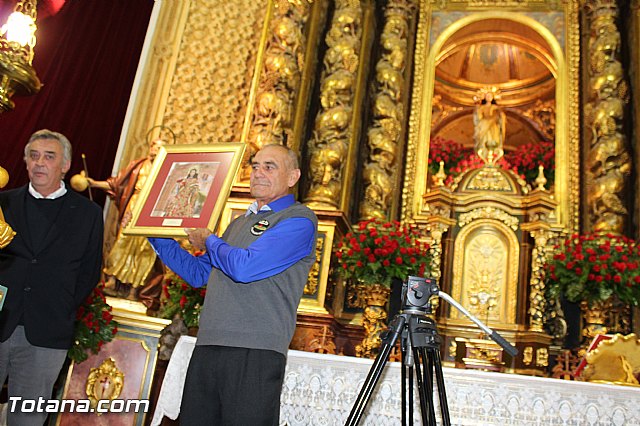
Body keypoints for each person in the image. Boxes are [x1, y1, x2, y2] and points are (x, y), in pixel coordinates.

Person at [148, 144, 318, 425]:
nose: (258, 173)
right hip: (209, 343)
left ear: (293, 177)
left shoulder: (298, 220)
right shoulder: (239, 223)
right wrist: (154, 233)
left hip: (255, 350)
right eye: (254, 166)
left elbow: (245, 267)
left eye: (269, 166)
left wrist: (210, 241)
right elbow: (198, 274)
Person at [0, 129, 103, 425]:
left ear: (66, 165)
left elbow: (89, 271)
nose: (39, 163)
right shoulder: (3, 204)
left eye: (48, 156)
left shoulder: (88, 214)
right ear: (25, 161)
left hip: (47, 333)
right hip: (1, 320)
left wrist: (61, 306)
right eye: (33, 156)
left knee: (27, 419)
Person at [86, 137, 166, 306]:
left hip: (151, 211)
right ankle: (113, 280)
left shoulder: (165, 170)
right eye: (153, 146)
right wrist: (94, 184)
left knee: (144, 250)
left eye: (159, 147)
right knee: (122, 243)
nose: (154, 150)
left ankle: (134, 289)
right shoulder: (138, 166)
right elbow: (117, 184)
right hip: (133, 206)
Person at [473, 90, 506, 164]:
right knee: (483, 142)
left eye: (490, 96)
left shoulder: (496, 108)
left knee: (494, 141)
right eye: (487, 96)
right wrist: (477, 108)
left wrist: (500, 115)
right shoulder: (482, 108)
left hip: (494, 128)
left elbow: (501, 118)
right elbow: (478, 119)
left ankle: (495, 158)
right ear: (484, 97)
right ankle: (483, 158)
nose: (489, 97)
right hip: (484, 127)